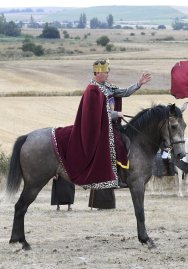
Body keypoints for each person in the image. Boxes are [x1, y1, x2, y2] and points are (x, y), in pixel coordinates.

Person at [53, 59, 151, 190]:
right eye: (106, 72)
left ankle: (120, 175)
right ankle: (110, 176)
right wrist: (116, 114)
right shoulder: (93, 90)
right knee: (114, 145)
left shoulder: (107, 86)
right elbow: (96, 115)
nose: (108, 74)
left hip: (109, 126)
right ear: (98, 73)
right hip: (97, 128)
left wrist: (139, 84)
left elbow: (124, 92)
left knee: (124, 141)